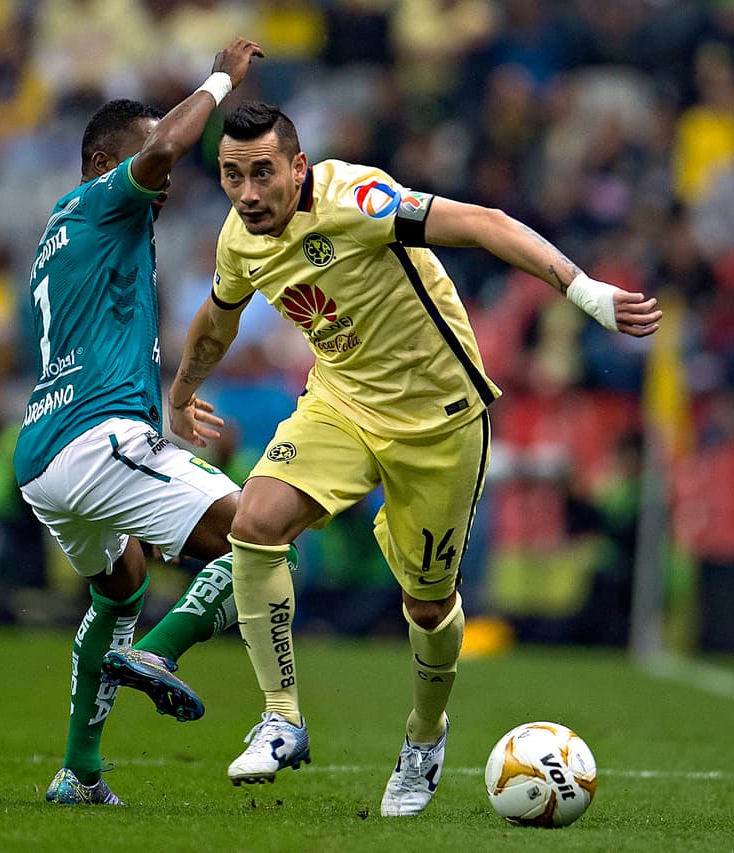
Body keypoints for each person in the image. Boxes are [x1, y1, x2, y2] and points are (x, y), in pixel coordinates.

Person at [167, 102, 661, 816]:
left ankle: (425, 735)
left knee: (426, 604)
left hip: (440, 421)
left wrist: (584, 291)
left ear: (298, 168)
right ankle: (282, 716)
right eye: (232, 175)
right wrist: (182, 391)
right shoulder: (240, 239)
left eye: (263, 173)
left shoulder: (358, 200)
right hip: (340, 404)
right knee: (256, 519)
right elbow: (219, 315)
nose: (248, 193)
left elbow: (486, 224)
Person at [12, 39, 271, 807]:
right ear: (99, 161)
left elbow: (104, 335)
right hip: (95, 441)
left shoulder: (64, 235)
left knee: (121, 585)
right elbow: (164, 146)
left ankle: (79, 772)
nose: (162, 180)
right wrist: (222, 78)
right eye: (138, 162)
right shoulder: (100, 200)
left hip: (46, 455)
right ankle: (161, 652)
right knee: (258, 533)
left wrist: (170, 396)